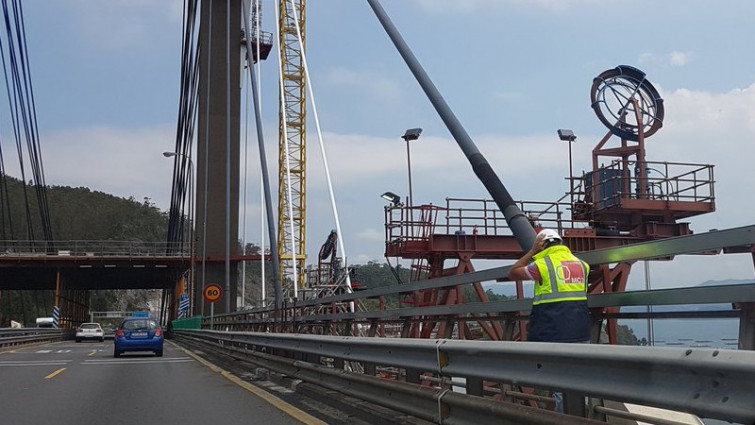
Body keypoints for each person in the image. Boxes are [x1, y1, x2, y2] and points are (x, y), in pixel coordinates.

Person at [507, 228, 591, 343]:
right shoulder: (583, 265)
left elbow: (513, 273)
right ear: (560, 243)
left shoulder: (542, 265)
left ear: (541, 245)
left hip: (549, 332)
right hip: (580, 332)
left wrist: (532, 251)